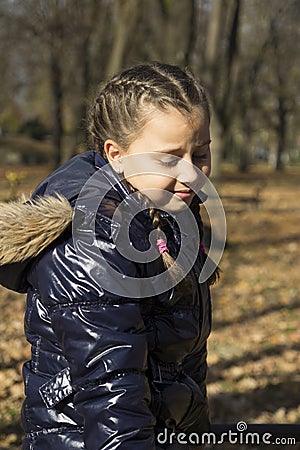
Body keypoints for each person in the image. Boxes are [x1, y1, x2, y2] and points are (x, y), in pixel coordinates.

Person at [0, 62, 219, 449]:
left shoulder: (170, 211)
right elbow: (110, 389)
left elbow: (186, 359)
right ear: (116, 155)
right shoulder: (90, 241)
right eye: (169, 159)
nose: (191, 173)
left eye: (200, 153)